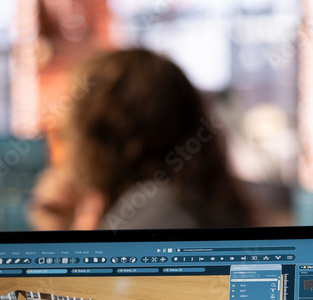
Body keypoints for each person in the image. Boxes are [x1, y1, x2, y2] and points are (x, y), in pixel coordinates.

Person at [29, 48, 256, 231]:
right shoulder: (176, 201)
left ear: (106, 134)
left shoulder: (156, 212)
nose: (60, 146)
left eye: (66, 133)